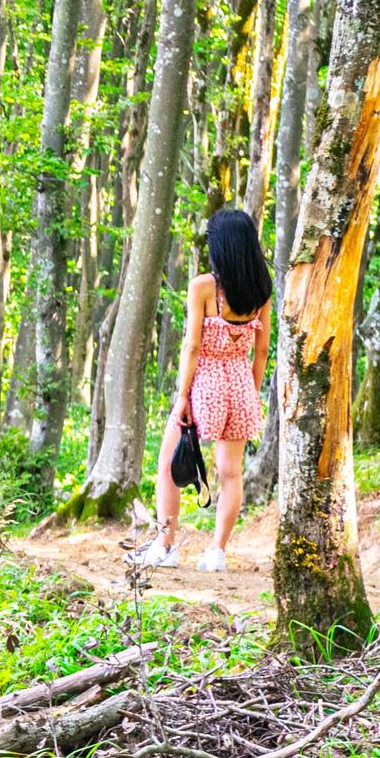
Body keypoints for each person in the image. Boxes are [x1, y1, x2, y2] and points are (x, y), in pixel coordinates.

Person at [132, 207, 273, 570]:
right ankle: (217, 552)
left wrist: (182, 396)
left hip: (205, 383)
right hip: (241, 383)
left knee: (168, 464)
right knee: (231, 473)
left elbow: (192, 346)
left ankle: (165, 547)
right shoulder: (261, 288)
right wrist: (250, 393)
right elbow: (262, 351)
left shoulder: (204, 286)